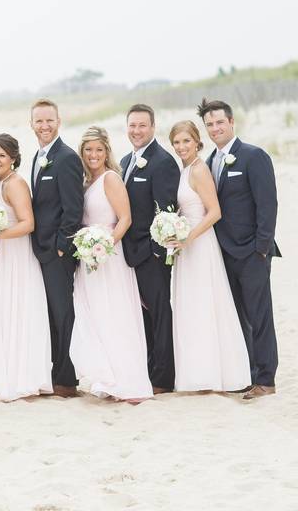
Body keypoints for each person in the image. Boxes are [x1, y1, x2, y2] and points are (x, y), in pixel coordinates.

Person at [199, 99, 280, 400]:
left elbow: (267, 204)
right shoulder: (210, 162)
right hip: (223, 252)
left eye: (220, 122)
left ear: (231, 122)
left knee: (259, 316)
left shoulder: (253, 156)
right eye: (209, 124)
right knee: (237, 317)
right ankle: (246, 375)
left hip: (251, 252)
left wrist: (261, 248)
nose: (215, 128)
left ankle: (266, 379)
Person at [68, 126, 153, 402]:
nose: (93, 155)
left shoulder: (111, 179)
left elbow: (125, 218)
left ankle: (127, 381)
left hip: (109, 258)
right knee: (95, 316)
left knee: (115, 315)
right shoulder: (84, 182)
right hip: (89, 259)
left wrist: (104, 247)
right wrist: (89, 251)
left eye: (99, 150)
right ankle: (107, 377)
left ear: (107, 152)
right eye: (88, 150)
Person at [168, 120, 250, 393]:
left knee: (204, 303)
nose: (181, 147)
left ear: (197, 142)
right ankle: (197, 372)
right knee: (190, 305)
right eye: (177, 142)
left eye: (186, 141)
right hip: (184, 245)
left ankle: (213, 373)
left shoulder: (200, 170)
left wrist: (189, 236)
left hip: (200, 245)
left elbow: (214, 211)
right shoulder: (184, 169)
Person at [0, 134, 53, 401]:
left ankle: (22, 377)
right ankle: (5, 374)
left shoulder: (15, 183)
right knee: (1, 311)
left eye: (1, 155)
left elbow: (27, 223)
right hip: (0, 256)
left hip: (15, 256)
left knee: (16, 309)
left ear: (13, 158)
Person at [119, 104, 180, 394]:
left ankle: (163, 378)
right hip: (128, 254)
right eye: (132, 125)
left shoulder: (163, 162)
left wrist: (155, 252)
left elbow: (165, 214)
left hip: (151, 254)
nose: (136, 131)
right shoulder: (124, 161)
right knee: (140, 316)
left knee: (159, 314)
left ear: (153, 127)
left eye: (142, 125)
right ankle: (147, 367)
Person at [28, 99, 84, 397]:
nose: (44, 126)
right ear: (32, 124)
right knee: (50, 312)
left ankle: (66, 378)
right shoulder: (38, 157)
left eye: (49, 120)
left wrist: (62, 247)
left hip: (57, 252)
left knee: (63, 313)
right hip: (41, 250)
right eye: (39, 121)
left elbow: (73, 209)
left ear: (58, 122)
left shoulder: (66, 158)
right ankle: (55, 372)